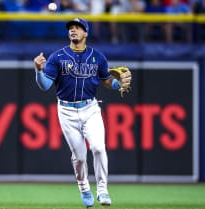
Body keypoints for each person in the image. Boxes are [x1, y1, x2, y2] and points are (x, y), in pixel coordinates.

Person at [33, 18, 131, 207]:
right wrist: (38, 70)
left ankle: (102, 190)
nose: (73, 30)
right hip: (66, 111)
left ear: (86, 33)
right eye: (71, 28)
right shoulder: (57, 57)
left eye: (78, 28)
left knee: (98, 148)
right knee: (79, 157)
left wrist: (118, 84)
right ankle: (84, 188)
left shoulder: (98, 57)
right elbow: (45, 86)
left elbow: (107, 80)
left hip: (90, 108)